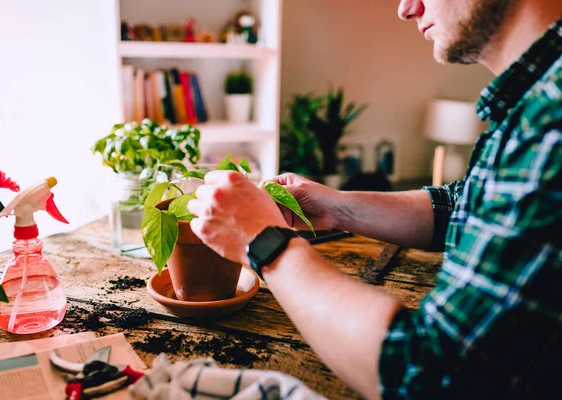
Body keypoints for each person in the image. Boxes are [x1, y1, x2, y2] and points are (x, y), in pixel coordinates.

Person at [187, 0, 562, 398]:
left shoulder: (550, 121)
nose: (406, 8)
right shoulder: (533, 100)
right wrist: (336, 207)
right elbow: (465, 205)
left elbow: (434, 373)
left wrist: (263, 241)